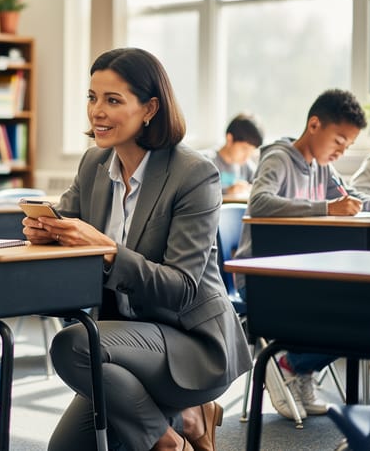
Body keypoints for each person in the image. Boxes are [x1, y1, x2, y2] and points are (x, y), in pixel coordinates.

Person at [23, 47, 251, 451]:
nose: (97, 112)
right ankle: (189, 417)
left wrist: (109, 251)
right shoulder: (94, 164)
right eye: (92, 98)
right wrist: (47, 230)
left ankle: (167, 441)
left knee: (73, 344)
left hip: (187, 339)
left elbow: (181, 287)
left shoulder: (194, 174)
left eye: (113, 100)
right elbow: (68, 223)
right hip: (124, 341)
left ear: (149, 108)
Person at [233, 88, 370, 422]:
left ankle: (295, 367)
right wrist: (327, 207)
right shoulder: (279, 157)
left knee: (367, 306)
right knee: (352, 311)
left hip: (303, 276)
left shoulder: (322, 167)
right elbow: (259, 203)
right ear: (314, 125)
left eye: (348, 146)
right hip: (262, 278)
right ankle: (286, 363)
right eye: (339, 141)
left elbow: (350, 196)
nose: (342, 151)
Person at [207, 113, 263, 197]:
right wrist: (227, 191)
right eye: (244, 149)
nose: (247, 156)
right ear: (229, 139)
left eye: (251, 151)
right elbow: (202, 195)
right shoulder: (208, 162)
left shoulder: (246, 165)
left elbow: (261, 184)